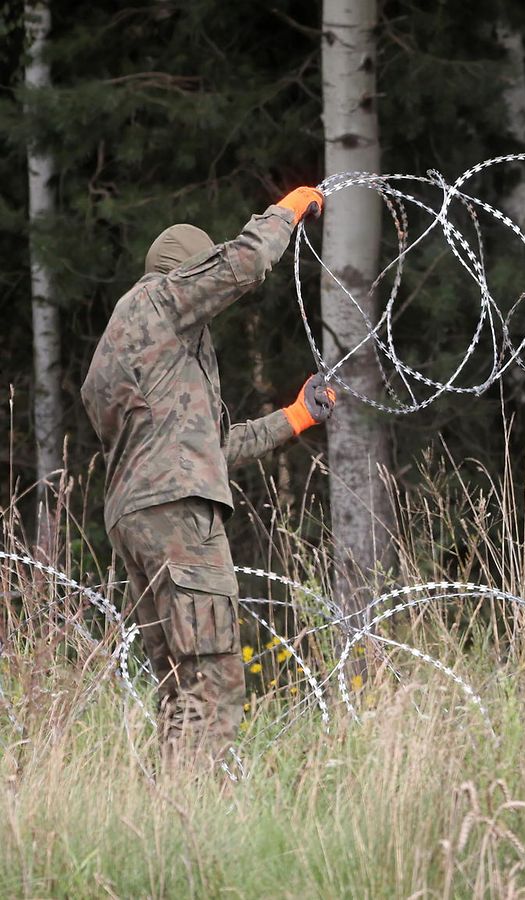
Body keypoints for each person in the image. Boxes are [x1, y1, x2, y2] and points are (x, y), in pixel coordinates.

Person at [81, 187, 334, 766]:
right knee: (216, 680)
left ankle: (167, 824)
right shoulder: (160, 302)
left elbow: (208, 448)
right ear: (184, 274)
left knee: (181, 690)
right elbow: (243, 263)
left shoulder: (133, 348)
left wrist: (293, 419)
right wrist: (288, 210)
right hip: (178, 516)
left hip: (137, 519)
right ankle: (195, 823)